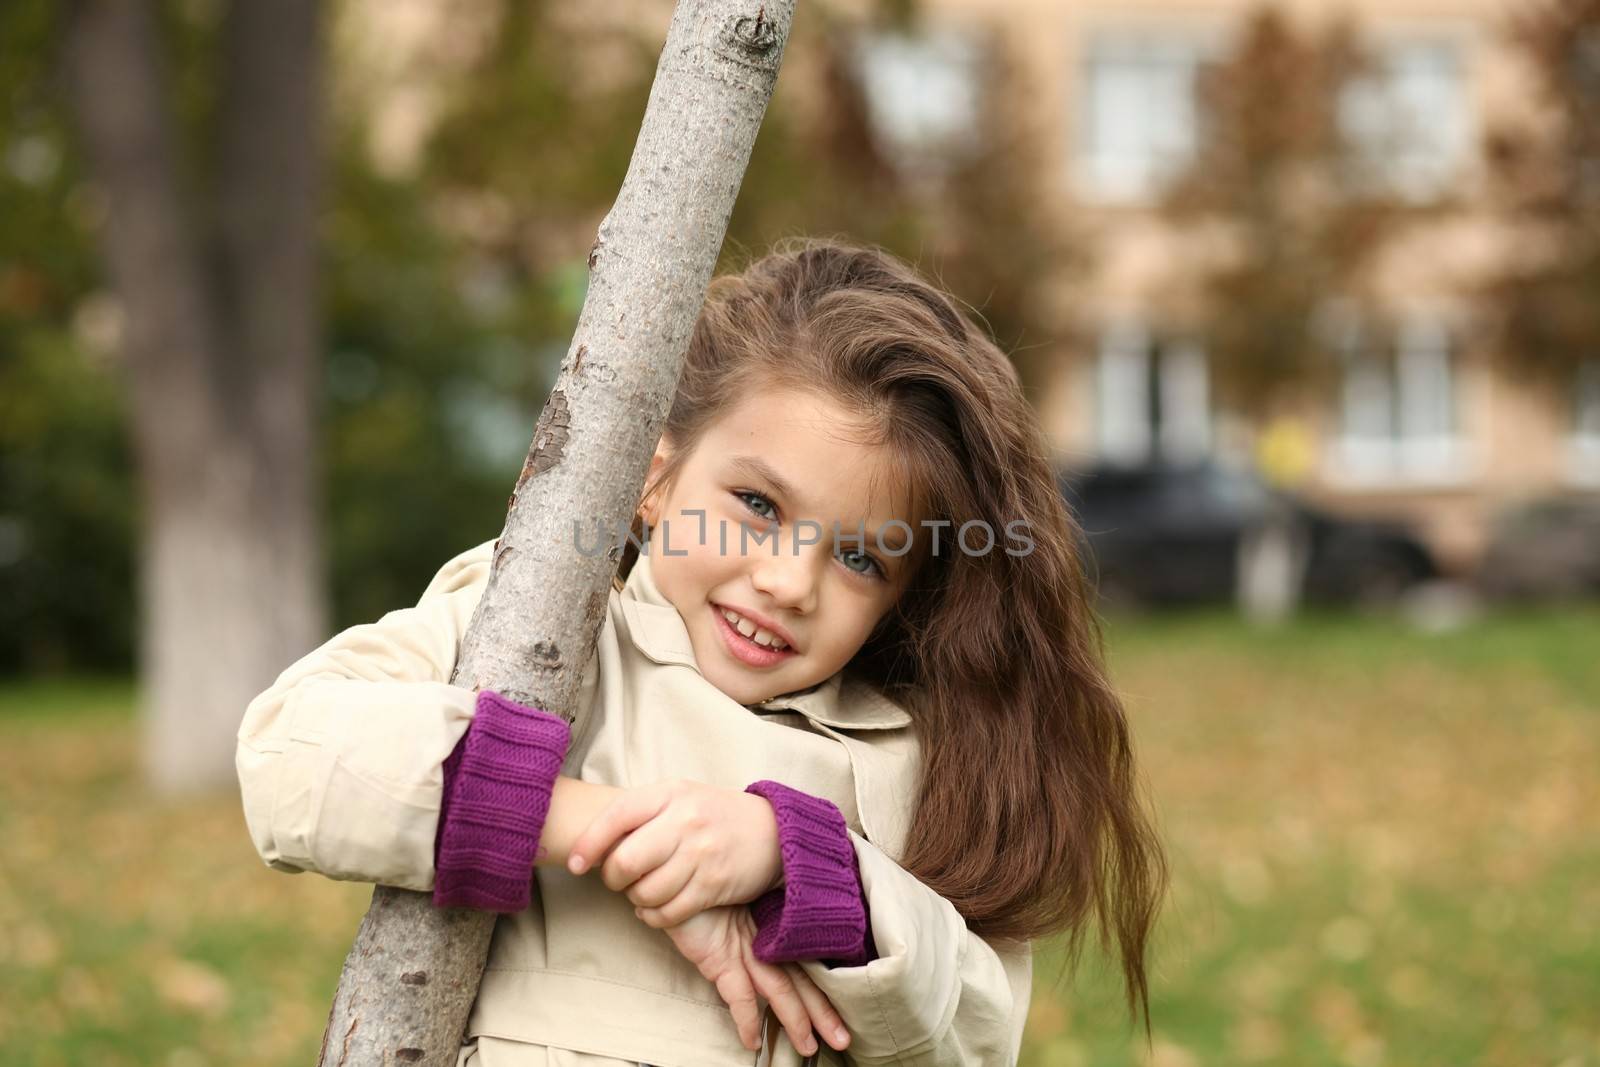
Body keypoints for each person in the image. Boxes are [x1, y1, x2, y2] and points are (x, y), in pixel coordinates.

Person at [236, 239, 1169, 1067]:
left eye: (859, 556)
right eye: (758, 506)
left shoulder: (900, 756)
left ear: (905, 595)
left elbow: (975, 1034)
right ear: (655, 479)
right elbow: (291, 752)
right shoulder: (548, 626)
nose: (788, 582)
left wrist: (786, 858)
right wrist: (595, 826)